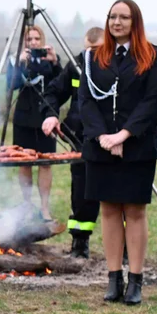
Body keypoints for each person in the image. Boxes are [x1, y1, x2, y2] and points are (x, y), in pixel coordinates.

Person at [78, 0, 157, 305]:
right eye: (113, 17)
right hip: (101, 146)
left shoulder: (153, 55)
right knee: (109, 210)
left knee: (135, 210)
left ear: (135, 21)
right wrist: (104, 136)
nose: (117, 22)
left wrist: (122, 136)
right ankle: (114, 278)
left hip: (137, 146)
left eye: (124, 17)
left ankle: (136, 281)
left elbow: (152, 102)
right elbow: (86, 102)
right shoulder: (91, 57)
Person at [41, 27, 105, 258]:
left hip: (111, 139)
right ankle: (80, 243)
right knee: (82, 192)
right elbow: (54, 92)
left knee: (117, 193)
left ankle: (127, 247)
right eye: (89, 50)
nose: (93, 55)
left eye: (98, 50)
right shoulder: (77, 66)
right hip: (80, 139)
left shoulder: (119, 66)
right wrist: (50, 114)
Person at [8, 25, 62, 220]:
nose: (33, 43)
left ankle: (45, 208)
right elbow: (11, 86)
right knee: (25, 163)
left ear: (42, 40)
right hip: (24, 118)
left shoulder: (50, 59)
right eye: (29, 39)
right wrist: (20, 64)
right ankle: (26, 205)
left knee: (45, 163)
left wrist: (55, 62)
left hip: (46, 118)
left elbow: (61, 85)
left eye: (36, 39)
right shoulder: (15, 59)